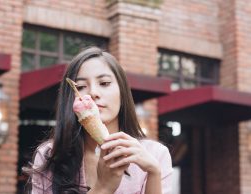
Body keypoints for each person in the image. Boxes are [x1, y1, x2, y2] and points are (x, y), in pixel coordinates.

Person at [24, 47, 173, 194]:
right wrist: (103, 188)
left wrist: (154, 173)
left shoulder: (155, 155)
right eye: (81, 87)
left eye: (104, 83)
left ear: (122, 92)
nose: (93, 93)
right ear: (69, 100)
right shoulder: (50, 155)